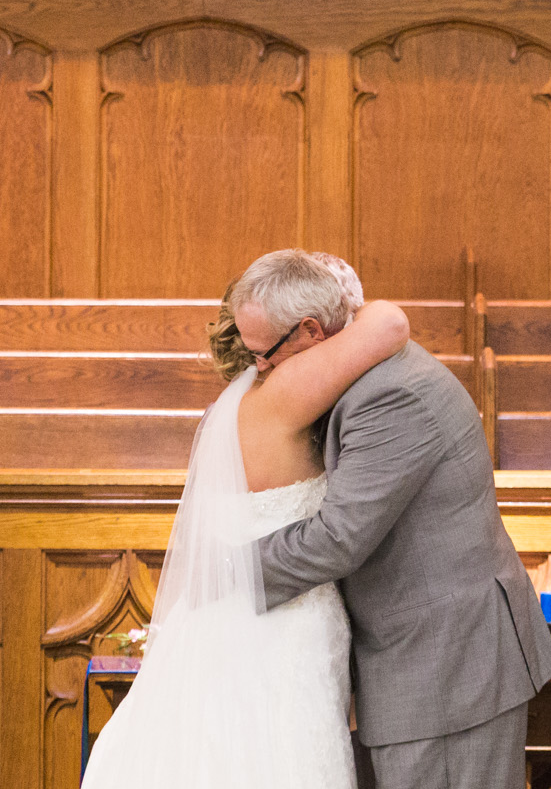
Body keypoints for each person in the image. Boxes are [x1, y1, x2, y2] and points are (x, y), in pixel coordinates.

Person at [80, 251, 413, 789]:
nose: (261, 361)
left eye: (266, 351)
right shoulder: (286, 389)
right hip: (288, 620)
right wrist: (350, 304)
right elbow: (392, 323)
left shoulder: (239, 400)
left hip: (224, 617)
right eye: (257, 351)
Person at [253, 255, 551, 789]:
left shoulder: (387, 394)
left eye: (265, 355)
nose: (260, 370)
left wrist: (226, 573)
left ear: (310, 331)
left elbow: (338, 539)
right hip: (429, 660)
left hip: (446, 671)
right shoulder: (365, 375)